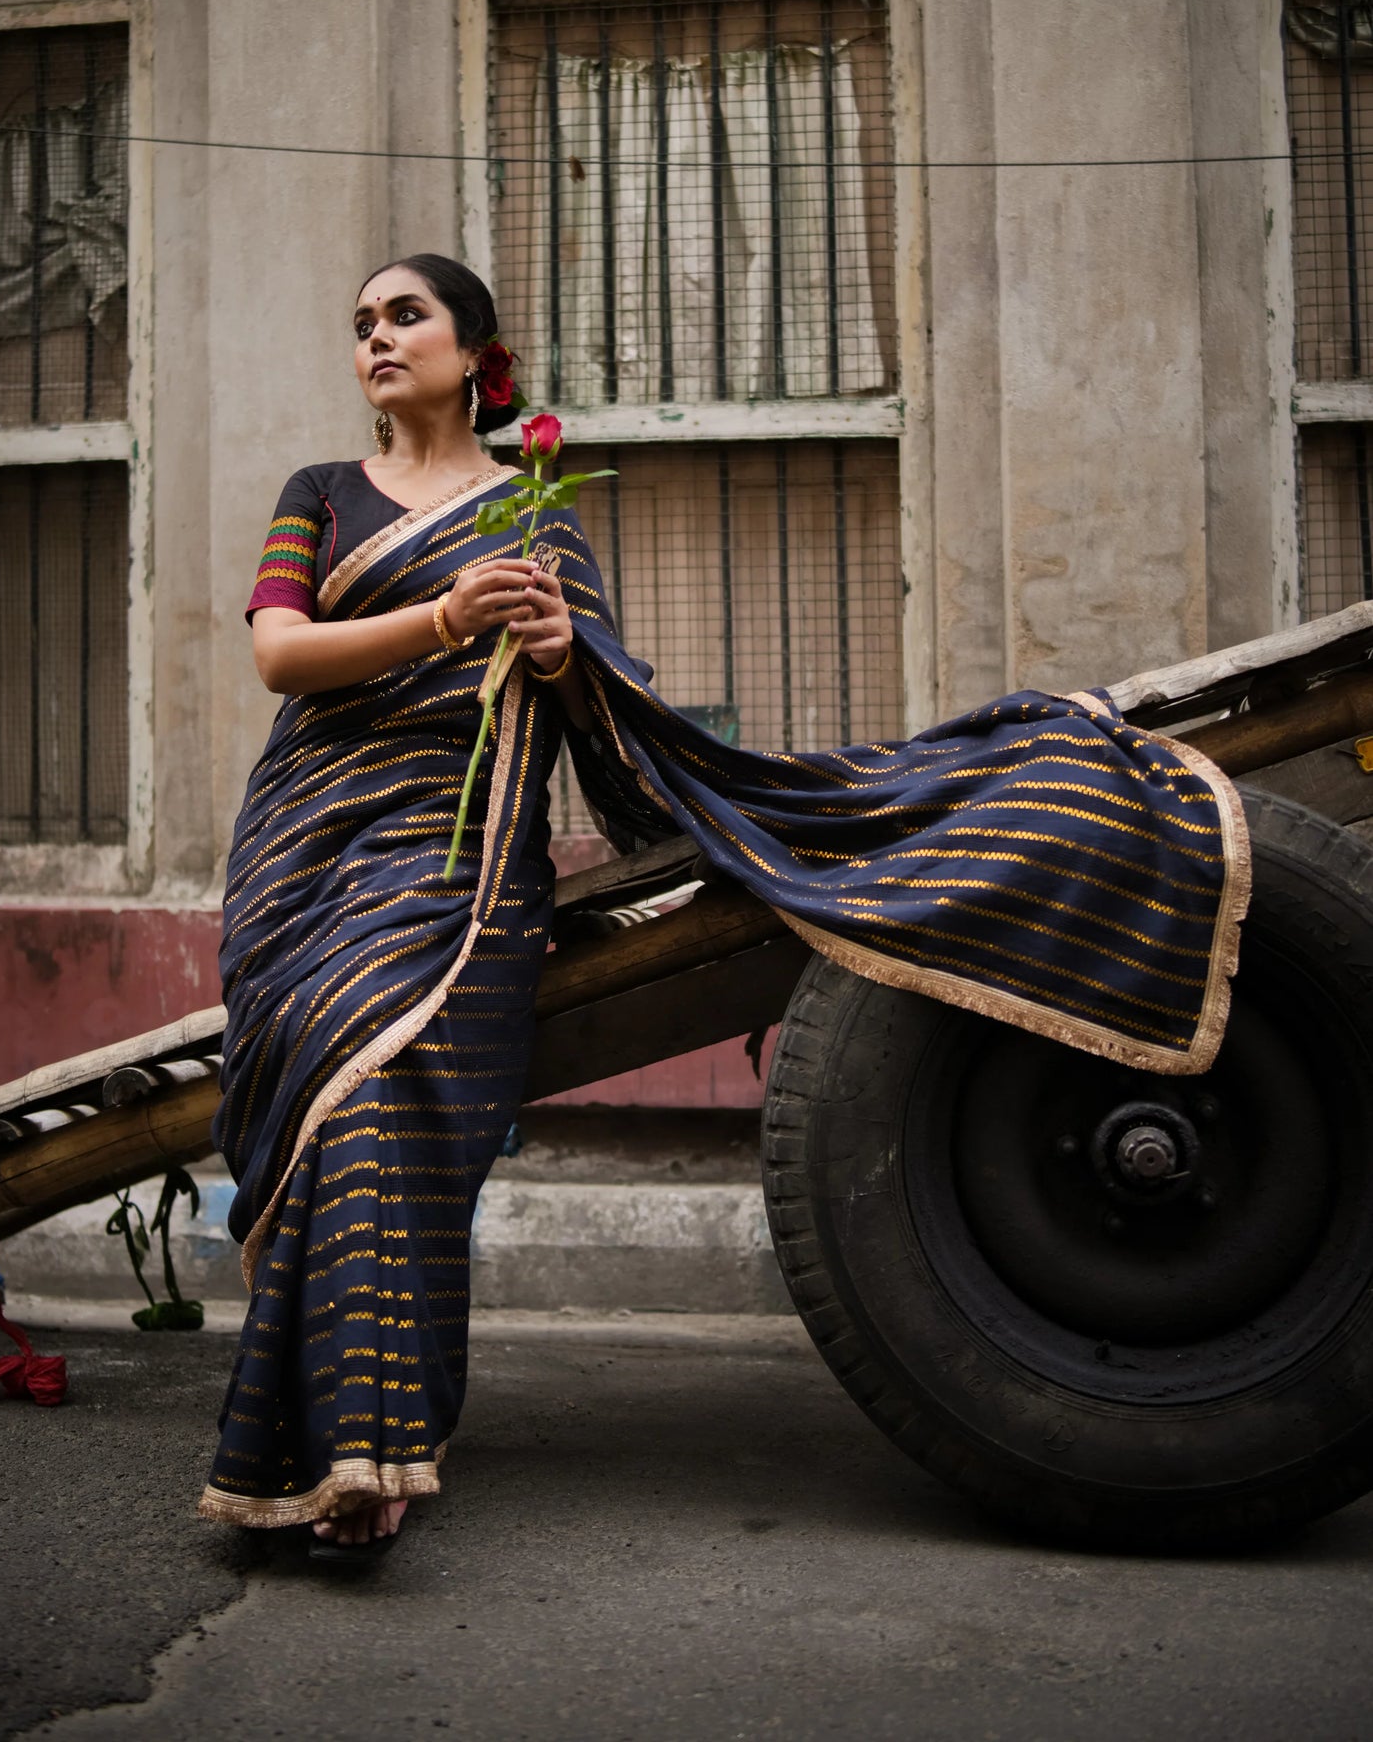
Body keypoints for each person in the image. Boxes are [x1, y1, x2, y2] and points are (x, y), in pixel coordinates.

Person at [198, 253, 1248, 1550]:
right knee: (325, 1065)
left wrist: (558, 656)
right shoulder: (320, 495)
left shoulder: (535, 528)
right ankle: (342, 1432)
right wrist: (446, 620)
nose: (375, 336)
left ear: (475, 356)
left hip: (459, 867)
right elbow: (278, 653)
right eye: (358, 321)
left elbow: (608, 729)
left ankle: (368, 1454)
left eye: (405, 314)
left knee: (381, 1094)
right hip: (310, 851)